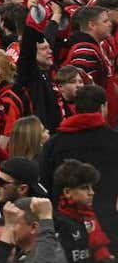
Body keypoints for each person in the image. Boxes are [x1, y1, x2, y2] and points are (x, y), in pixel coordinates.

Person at [39, 85, 118, 238]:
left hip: (66, 228)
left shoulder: (54, 144)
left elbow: (45, 183)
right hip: (109, 224)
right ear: (102, 107)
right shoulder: (114, 140)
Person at [52, 159, 111, 263]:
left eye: (91, 187)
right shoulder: (56, 223)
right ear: (67, 192)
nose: (91, 192)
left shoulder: (94, 217)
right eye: (84, 188)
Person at [0, 198, 66, 263]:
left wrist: (46, 220)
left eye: (14, 222)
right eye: (8, 221)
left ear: (33, 227)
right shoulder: (19, 254)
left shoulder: (54, 256)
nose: (7, 229)